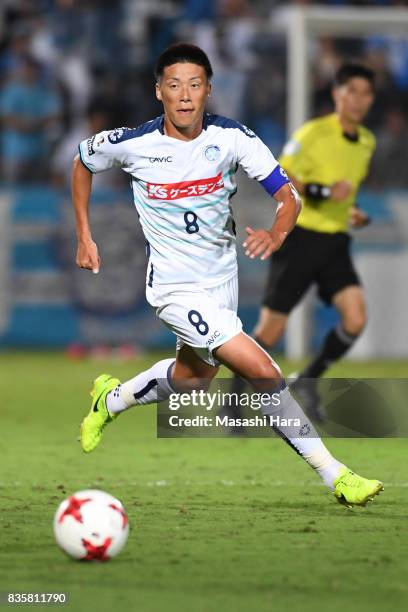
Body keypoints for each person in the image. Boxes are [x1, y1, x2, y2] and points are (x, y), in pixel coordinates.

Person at [72, 44, 383, 508]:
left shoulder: (233, 137)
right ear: (158, 91)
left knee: (193, 379)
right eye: (174, 85)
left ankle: (111, 399)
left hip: (221, 280)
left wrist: (278, 234)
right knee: (263, 370)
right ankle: (336, 475)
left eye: (194, 85)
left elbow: (288, 195)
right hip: (174, 288)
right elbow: (82, 162)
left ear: (208, 91)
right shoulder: (134, 143)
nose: (184, 96)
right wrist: (84, 233)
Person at [227, 63, 376, 422]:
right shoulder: (313, 133)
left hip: (335, 241)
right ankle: (231, 402)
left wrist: (352, 210)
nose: (359, 100)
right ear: (337, 94)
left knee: (355, 319)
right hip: (302, 237)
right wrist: (324, 191)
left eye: (366, 93)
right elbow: (284, 175)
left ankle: (307, 381)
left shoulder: (367, 142)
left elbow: (345, 192)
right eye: (352, 91)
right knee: (270, 331)